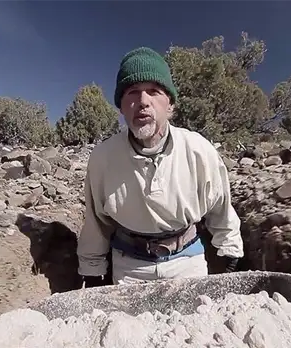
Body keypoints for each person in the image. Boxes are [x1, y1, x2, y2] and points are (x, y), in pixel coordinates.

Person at [76, 47, 244, 287]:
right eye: (133, 92)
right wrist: (92, 269)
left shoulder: (199, 150)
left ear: (170, 105)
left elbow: (221, 209)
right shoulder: (103, 157)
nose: (143, 101)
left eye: (153, 91)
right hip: (129, 267)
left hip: (188, 263)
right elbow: (96, 222)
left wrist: (229, 252)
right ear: (121, 108)